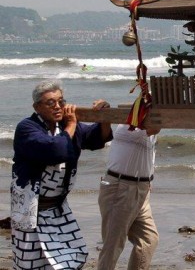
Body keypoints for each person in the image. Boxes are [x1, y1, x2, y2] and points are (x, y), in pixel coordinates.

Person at [11, 80, 112, 269]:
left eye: (61, 101)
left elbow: (99, 137)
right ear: (37, 107)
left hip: (57, 208)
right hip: (30, 210)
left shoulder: (65, 127)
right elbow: (56, 151)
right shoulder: (27, 128)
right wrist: (73, 122)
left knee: (72, 257)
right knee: (30, 263)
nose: (58, 106)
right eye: (50, 103)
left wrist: (104, 116)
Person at [97, 123, 161, 270]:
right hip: (120, 189)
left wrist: (148, 178)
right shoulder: (128, 127)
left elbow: (145, 154)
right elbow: (156, 127)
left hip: (141, 189)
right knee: (113, 245)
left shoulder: (146, 128)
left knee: (148, 239)